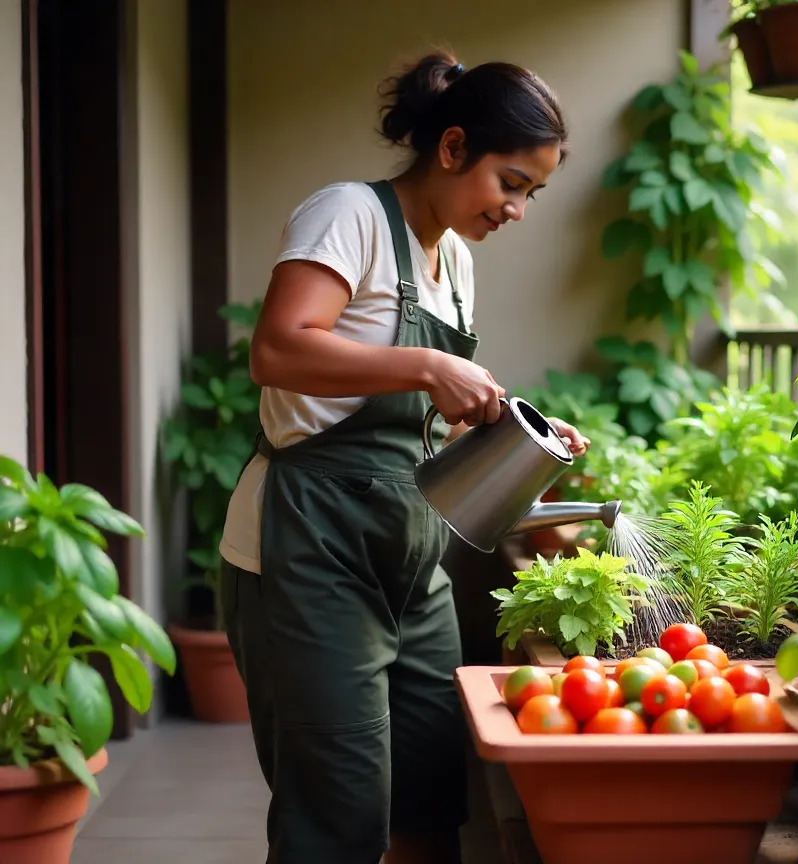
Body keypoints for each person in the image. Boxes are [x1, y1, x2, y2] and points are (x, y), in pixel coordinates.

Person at [218, 50, 588, 864]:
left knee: (428, 796)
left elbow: (421, 425)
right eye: (512, 183)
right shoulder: (348, 215)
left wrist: (519, 436)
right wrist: (428, 364)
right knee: (337, 815)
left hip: (410, 559)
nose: (519, 210)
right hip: (309, 550)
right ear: (452, 148)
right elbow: (278, 351)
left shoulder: (454, 259)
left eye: (533, 193)